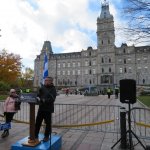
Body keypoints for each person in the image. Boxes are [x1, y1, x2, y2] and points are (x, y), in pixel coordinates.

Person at [35, 77, 56, 142]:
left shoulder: (53, 89)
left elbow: (52, 99)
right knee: (38, 122)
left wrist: (44, 100)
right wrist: (37, 97)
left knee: (48, 123)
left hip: (48, 109)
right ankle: (35, 135)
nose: (45, 81)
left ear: (50, 81)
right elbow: (38, 95)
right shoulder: (42, 87)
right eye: (45, 80)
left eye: (46, 80)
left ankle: (46, 136)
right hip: (41, 108)